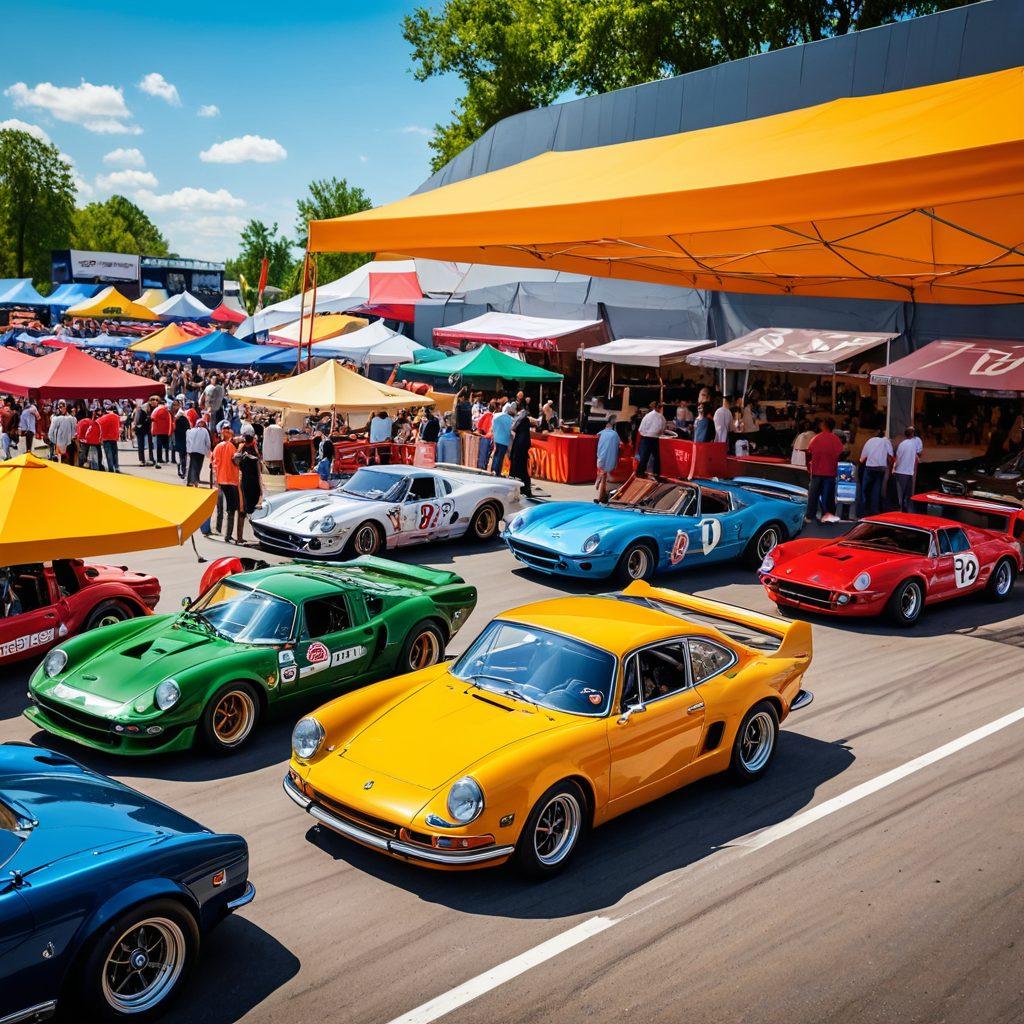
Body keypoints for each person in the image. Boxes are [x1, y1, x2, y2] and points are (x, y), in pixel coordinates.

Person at [805, 418, 845, 522]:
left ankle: (810, 516)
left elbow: (808, 453)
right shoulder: (836, 440)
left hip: (816, 472)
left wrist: (809, 467)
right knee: (828, 497)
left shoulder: (816, 438)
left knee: (813, 496)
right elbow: (841, 454)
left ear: (824, 425)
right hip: (830, 472)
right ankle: (827, 516)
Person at [211, 422, 242, 542]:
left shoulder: (218, 447)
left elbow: (214, 465)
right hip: (230, 482)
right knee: (231, 509)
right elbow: (237, 462)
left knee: (220, 507)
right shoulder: (232, 447)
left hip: (221, 480)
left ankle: (218, 529)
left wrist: (216, 480)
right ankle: (228, 535)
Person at [233, 427, 262, 545]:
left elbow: (258, 464)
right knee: (242, 509)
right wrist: (241, 456)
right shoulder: (241, 447)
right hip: (245, 480)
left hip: (253, 481)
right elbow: (236, 461)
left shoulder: (254, 446)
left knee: (252, 508)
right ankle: (239, 537)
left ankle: (259, 536)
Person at [858, 427, 894, 517]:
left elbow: (862, 459)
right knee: (876, 490)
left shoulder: (870, 441)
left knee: (865, 489)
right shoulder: (886, 441)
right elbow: (891, 455)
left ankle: (863, 511)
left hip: (869, 468)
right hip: (881, 468)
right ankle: (875, 512)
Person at [893, 426, 923, 512]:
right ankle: (909, 512)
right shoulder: (915, 443)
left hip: (900, 472)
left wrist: (894, 468)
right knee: (908, 495)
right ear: (913, 434)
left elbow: (898, 458)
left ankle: (901, 511)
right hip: (909, 473)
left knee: (900, 495)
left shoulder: (902, 444)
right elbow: (919, 452)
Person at [636, 401, 667, 478]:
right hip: (654, 439)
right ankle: (656, 473)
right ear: (659, 408)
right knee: (656, 457)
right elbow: (663, 429)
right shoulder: (661, 417)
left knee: (644, 457)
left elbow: (641, 429)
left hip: (646, 438)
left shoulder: (647, 416)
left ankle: (640, 473)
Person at [509, 402, 533, 497]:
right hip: (521, 445)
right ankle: (525, 489)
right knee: (522, 469)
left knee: (519, 468)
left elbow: (513, 428)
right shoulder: (523, 418)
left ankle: (523, 488)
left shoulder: (521, 418)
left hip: (520, 446)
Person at [595, 415, 620, 503]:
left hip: (601, 459)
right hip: (609, 460)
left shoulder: (601, 434)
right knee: (605, 477)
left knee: (603, 476)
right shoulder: (615, 435)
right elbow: (617, 449)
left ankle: (601, 496)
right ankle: (601, 496)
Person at [185, 415, 211, 486]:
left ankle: (190, 481)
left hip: (192, 450)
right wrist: (208, 451)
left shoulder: (191, 430)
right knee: (198, 466)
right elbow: (208, 442)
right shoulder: (205, 431)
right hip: (201, 451)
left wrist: (188, 449)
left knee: (192, 465)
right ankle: (195, 480)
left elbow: (188, 441)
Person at [490, 402, 514, 476]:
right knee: (500, 457)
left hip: (497, 438)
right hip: (504, 440)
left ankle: (493, 469)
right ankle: (497, 472)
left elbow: (492, 426)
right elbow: (511, 429)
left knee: (496, 454)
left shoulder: (496, 415)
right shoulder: (511, 419)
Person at [97, 400, 121, 473]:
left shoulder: (101, 418)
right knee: (115, 453)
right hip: (114, 437)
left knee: (109, 454)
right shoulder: (116, 416)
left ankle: (111, 468)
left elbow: (97, 424)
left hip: (105, 438)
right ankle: (116, 467)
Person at [151, 399, 172, 466]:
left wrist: (153, 431)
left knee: (159, 446)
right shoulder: (167, 410)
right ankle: (166, 459)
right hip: (165, 431)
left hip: (158, 431)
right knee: (166, 446)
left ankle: (159, 459)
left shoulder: (156, 410)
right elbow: (170, 421)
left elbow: (152, 419)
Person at [173, 402, 190, 479]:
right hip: (183, 440)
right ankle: (183, 471)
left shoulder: (177, 420)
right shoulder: (185, 419)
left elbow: (174, 430)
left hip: (179, 440)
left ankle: (181, 471)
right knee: (183, 457)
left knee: (180, 457)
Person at [132, 400, 152, 467]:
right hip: (141, 431)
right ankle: (142, 460)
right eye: (148, 406)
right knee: (142, 446)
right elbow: (137, 422)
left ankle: (143, 460)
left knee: (143, 447)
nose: (149, 408)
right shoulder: (142, 413)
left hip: (143, 431)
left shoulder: (141, 412)